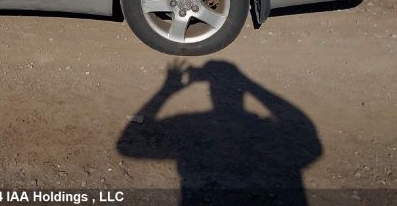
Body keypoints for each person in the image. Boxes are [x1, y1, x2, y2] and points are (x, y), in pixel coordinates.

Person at [117, 60, 322, 206]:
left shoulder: (191, 125)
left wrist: (166, 91)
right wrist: (247, 83)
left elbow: (126, 145)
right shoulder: (263, 127)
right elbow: (310, 141)